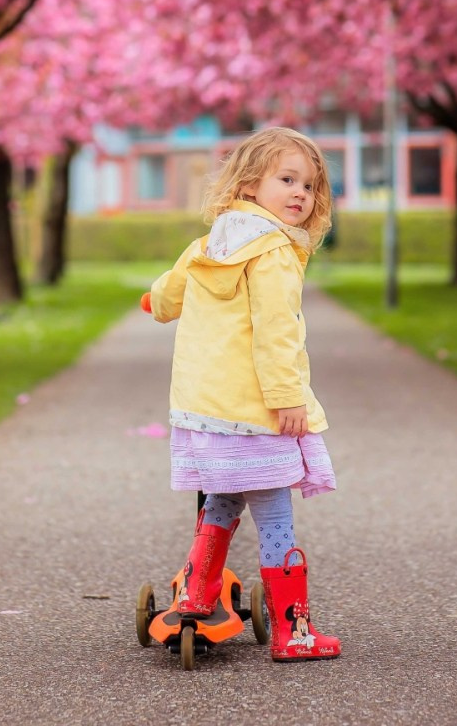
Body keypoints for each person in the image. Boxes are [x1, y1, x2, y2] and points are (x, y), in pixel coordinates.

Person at [142, 125, 341, 662]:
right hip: (255, 412)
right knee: (275, 514)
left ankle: (197, 595)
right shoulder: (273, 250)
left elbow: (171, 289)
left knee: (223, 501)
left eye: (310, 186)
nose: (301, 193)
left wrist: (152, 303)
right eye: (287, 179)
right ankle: (292, 632)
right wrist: (287, 398)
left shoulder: (211, 241)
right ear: (251, 183)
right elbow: (276, 330)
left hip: (205, 412)